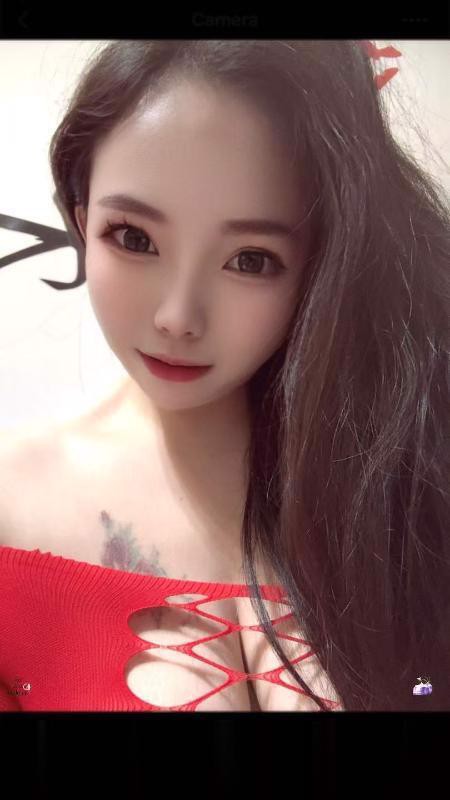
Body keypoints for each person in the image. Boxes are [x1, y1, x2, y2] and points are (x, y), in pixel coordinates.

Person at [43, 40, 450, 711]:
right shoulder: (15, 510)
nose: (178, 317)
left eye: (251, 260)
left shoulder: (406, 481)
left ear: (322, 268)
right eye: (135, 238)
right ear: (84, 224)